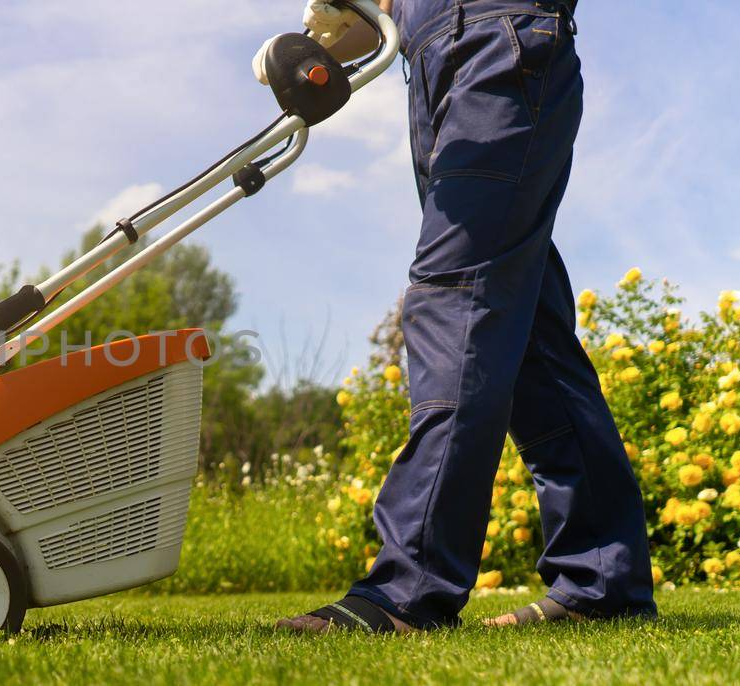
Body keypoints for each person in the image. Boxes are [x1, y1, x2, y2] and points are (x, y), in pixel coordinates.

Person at [273, 0, 658, 632]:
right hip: (427, 59)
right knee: (531, 332)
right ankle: (602, 577)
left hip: (498, 39)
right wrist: (325, 37)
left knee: (457, 296)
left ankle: (410, 587)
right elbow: (379, 16)